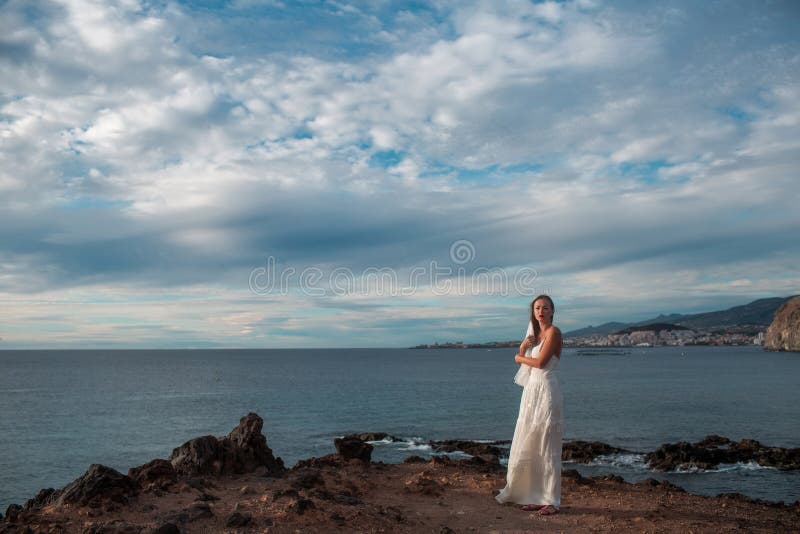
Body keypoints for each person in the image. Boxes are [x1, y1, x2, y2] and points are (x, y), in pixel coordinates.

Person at [495, 294, 564, 516]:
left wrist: (518, 357)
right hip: (531, 392)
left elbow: (541, 363)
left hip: (546, 391)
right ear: (533, 312)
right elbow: (529, 361)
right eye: (537, 308)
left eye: (545, 307)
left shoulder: (554, 332)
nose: (541, 311)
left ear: (552, 311)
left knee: (546, 445)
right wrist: (523, 346)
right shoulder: (535, 335)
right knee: (531, 442)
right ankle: (535, 495)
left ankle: (551, 500)